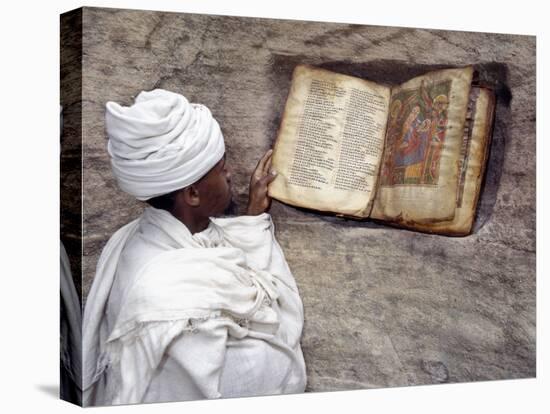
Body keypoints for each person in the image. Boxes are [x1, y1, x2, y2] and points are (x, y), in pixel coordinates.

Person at [82, 89, 307, 406]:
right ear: (193, 195)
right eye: (221, 168)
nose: (230, 174)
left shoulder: (144, 234)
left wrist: (253, 214)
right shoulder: (170, 306)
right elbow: (261, 375)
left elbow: (209, 244)